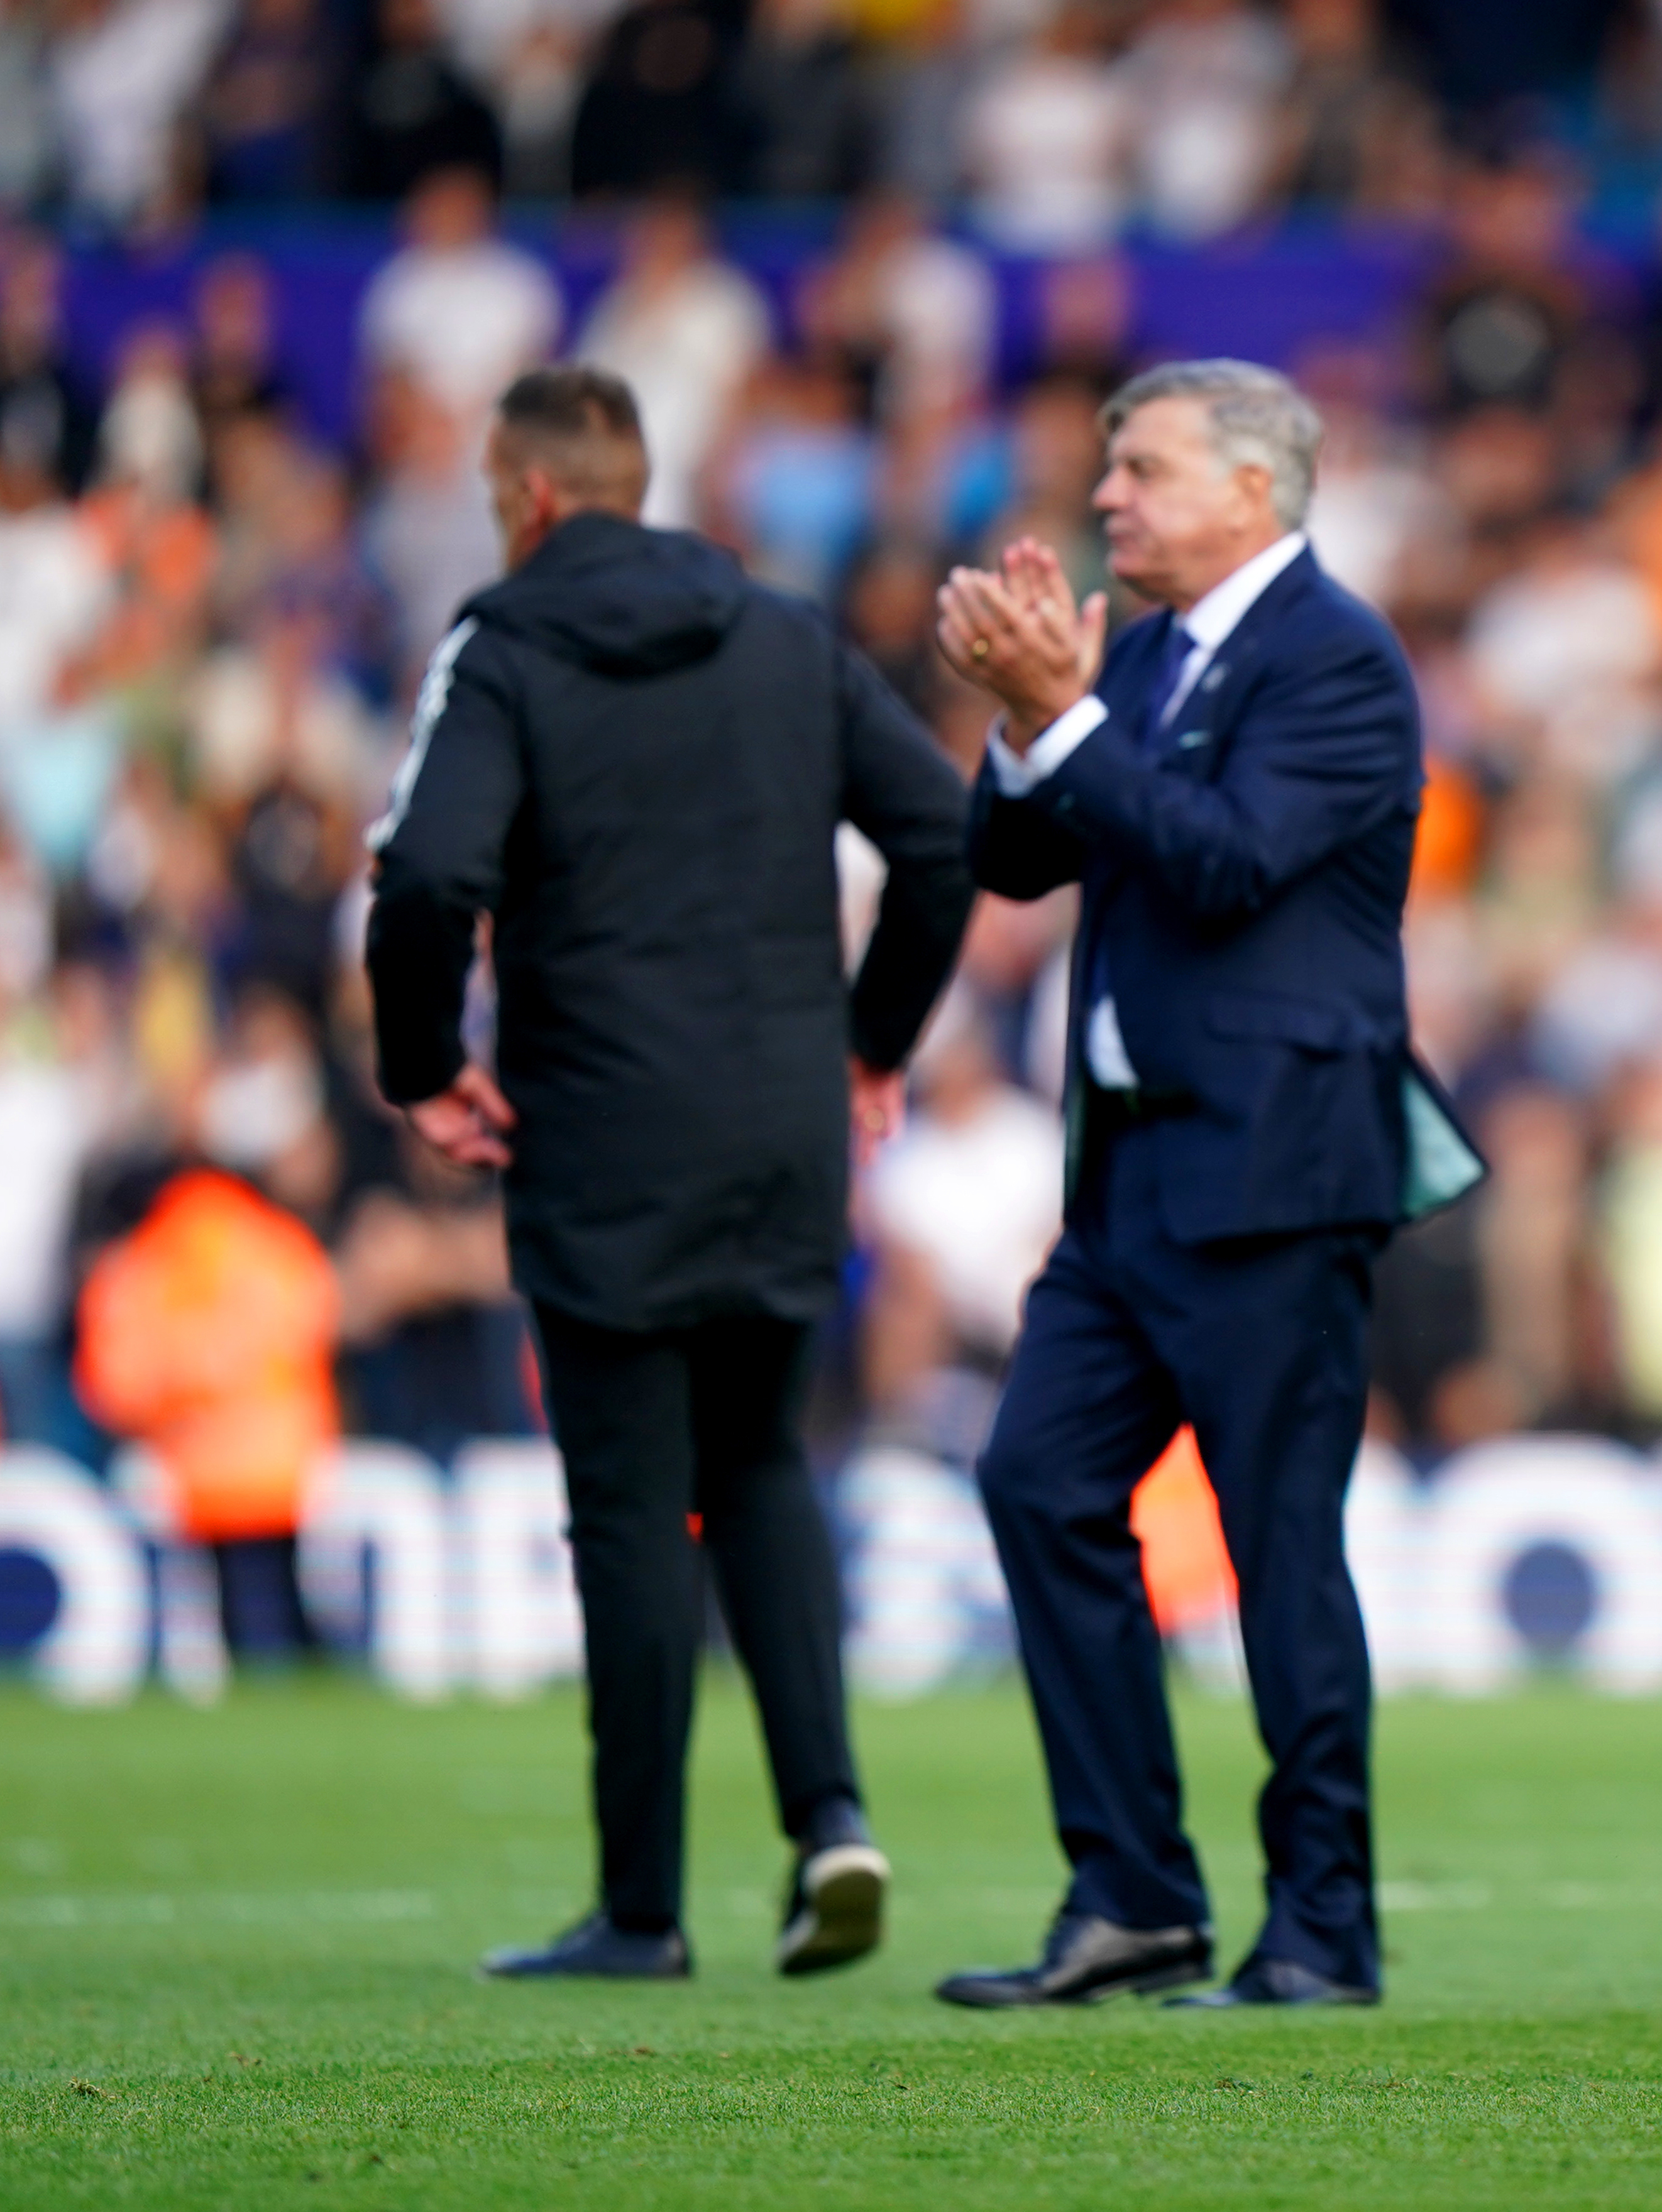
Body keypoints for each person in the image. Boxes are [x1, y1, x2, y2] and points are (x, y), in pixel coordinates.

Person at [363, 365, 974, 1981]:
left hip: (602, 1125)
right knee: (765, 1462)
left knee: (632, 1504)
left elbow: (426, 870)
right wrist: (870, 1038)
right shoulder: (782, 633)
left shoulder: (501, 646)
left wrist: (424, 1064)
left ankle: (641, 1906)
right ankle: (830, 1815)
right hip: (781, 1122)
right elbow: (938, 832)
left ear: (534, 495)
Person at [927, 358, 1475, 2011]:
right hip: (1129, 1182)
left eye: (1141, 471)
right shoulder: (1147, 651)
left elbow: (1228, 861)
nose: (1106, 499)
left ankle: (1321, 1926)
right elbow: (1015, 855)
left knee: (1274, 1548)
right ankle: (1134, 1899)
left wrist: (1070, 718)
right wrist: (1035, 718)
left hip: (1274, 1173)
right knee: (1035, 1483)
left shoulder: (1341, 663)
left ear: (1254, 487)